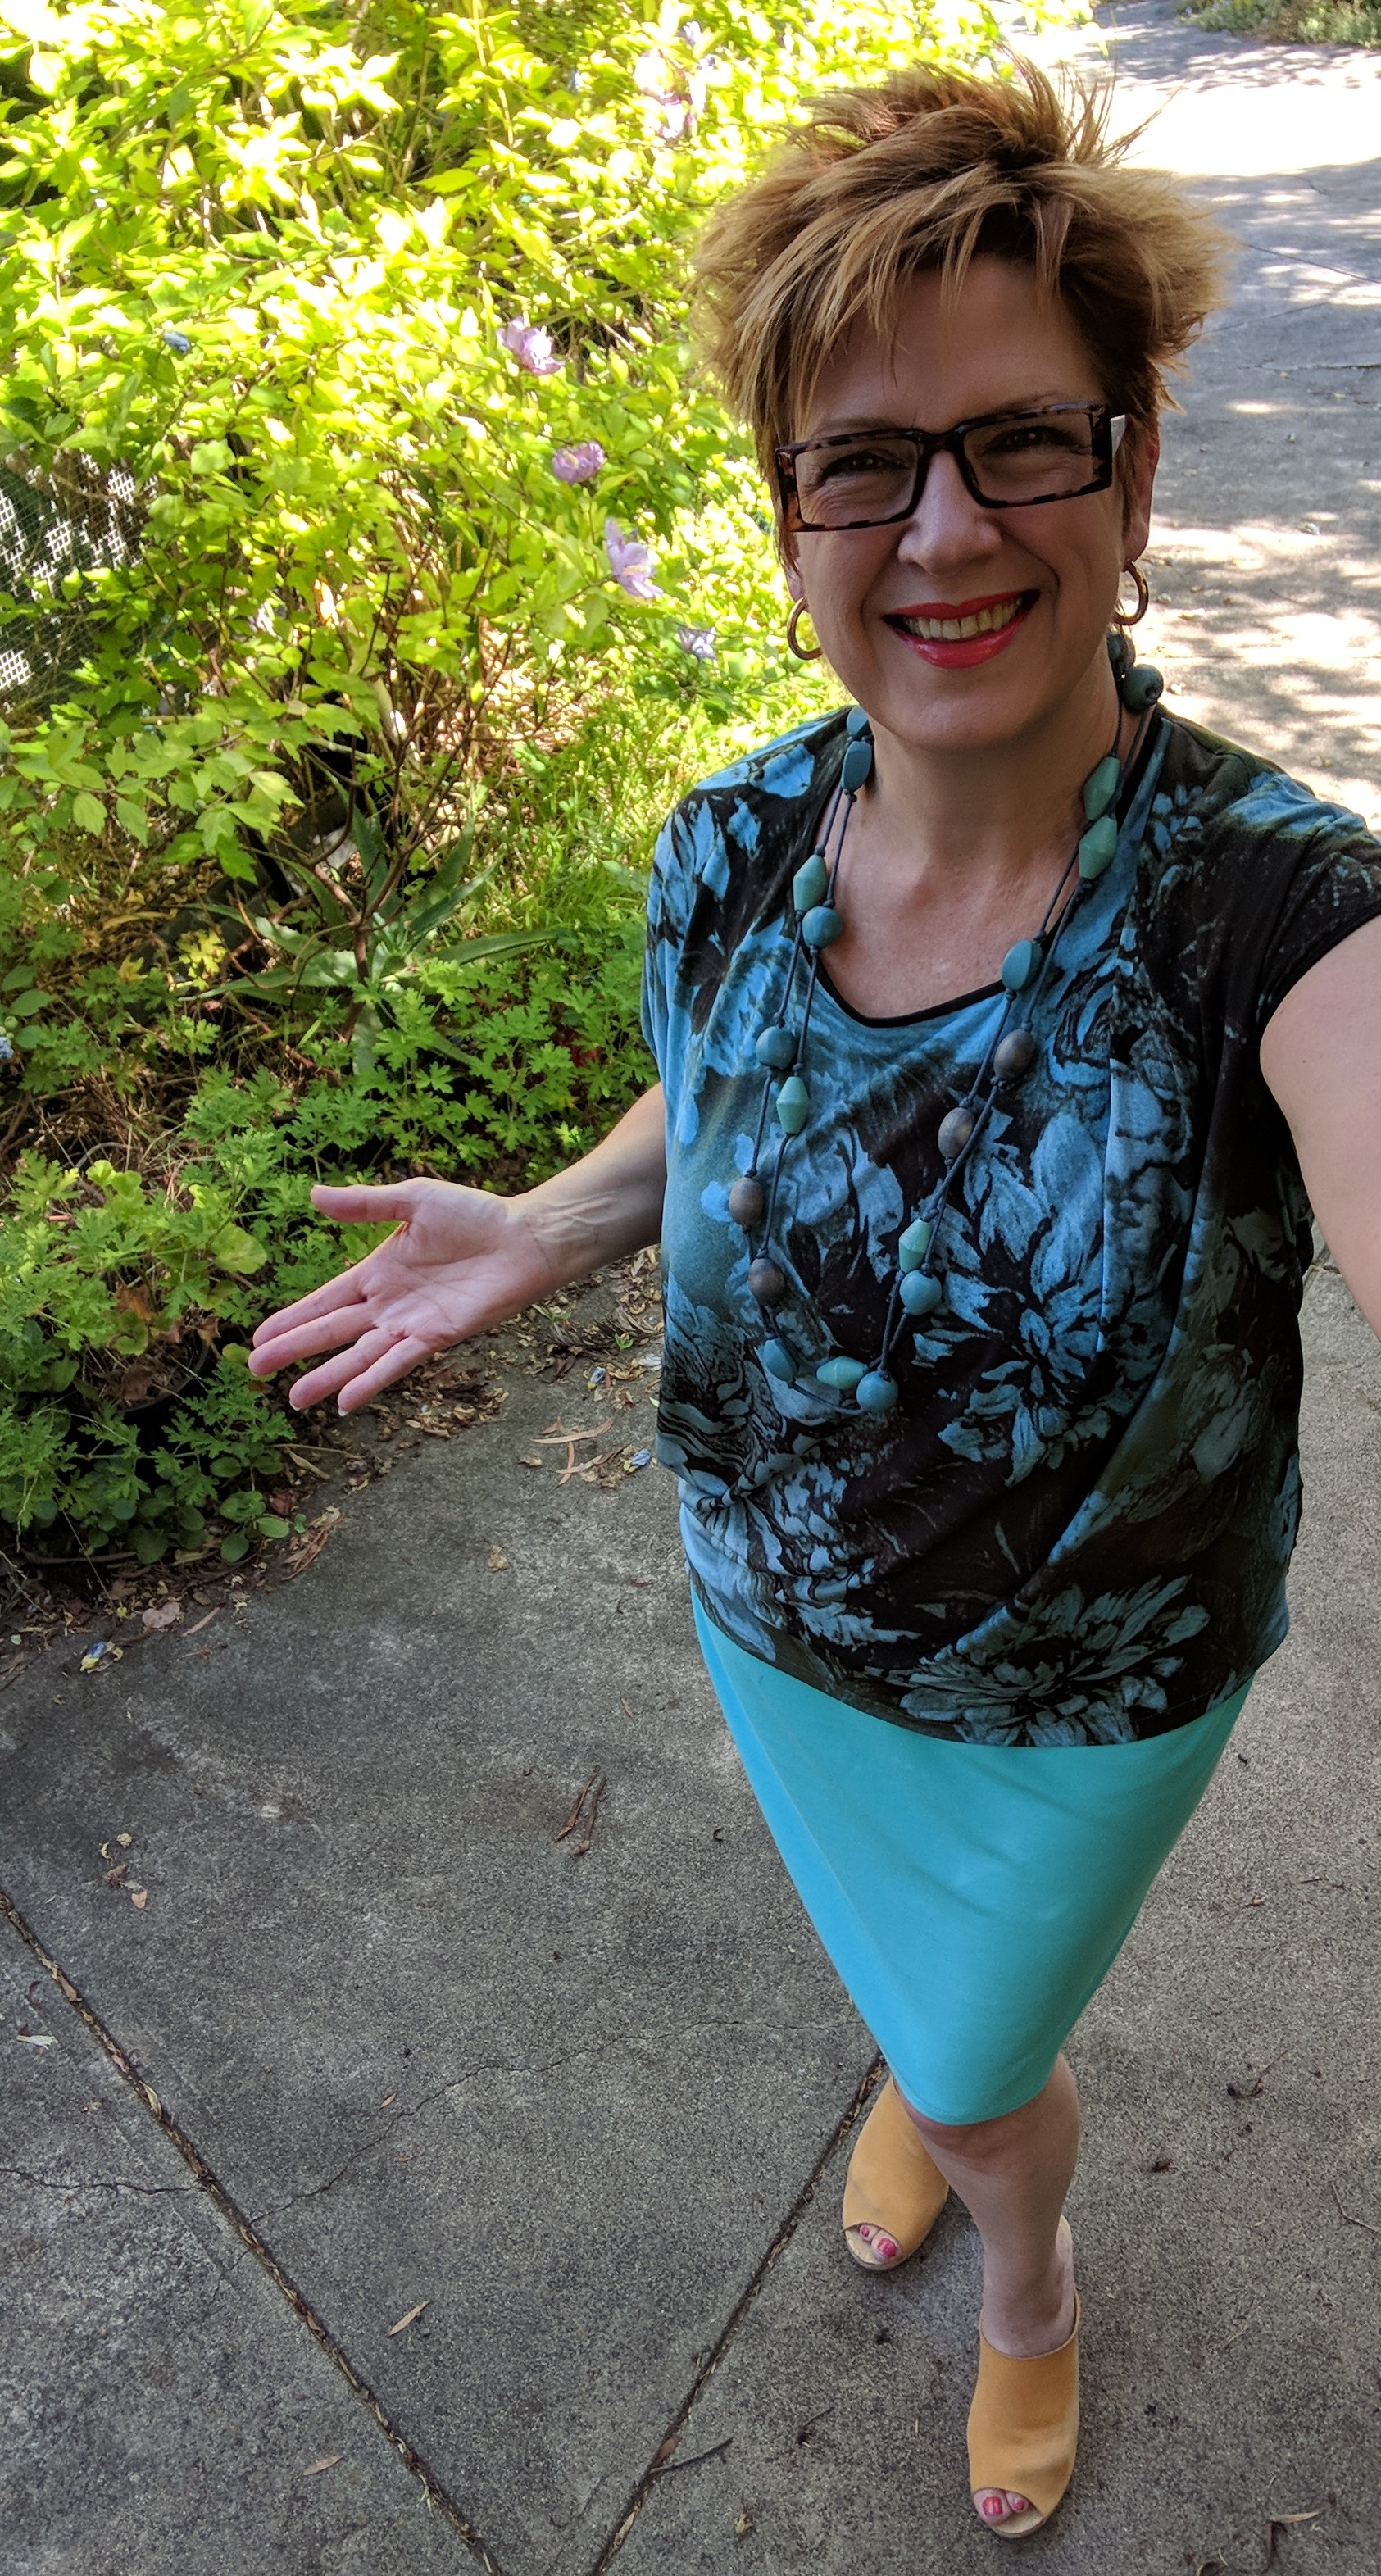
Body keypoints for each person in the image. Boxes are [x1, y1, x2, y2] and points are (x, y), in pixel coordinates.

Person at [248, 61, 1381, 2539]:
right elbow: (731, 1094)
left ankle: (1026, 2274)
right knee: (938, 2024)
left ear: (1135, 478)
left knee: (979, 2068)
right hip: (774, 1625)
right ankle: (942, 2071)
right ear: (790, 522)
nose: (943, 528)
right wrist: (563, 1222)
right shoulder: (733, 845)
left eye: (1022, 443)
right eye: (862, 464)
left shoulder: (1270, 913)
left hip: (1076, 1707)